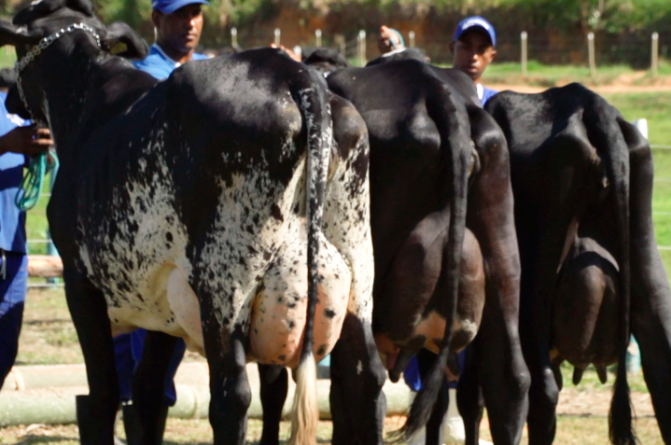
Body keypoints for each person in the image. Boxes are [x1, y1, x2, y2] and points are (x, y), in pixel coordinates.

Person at [113, 0, 209, 440]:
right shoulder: (136, 77)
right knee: (147, 354)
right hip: (153, 238)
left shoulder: (217, 73)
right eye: (177, 15)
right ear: (155, 20)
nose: (189, 24)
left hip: (207, 234)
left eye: (195, 13)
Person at [0, 68, 53, 389]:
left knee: (6, 349)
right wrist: (5, 144)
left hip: (13, 247)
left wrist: (41, 150)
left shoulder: (19, 110)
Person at [449, 16, 498, 106]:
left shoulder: (495, 104)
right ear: (452, 48)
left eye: (482, 50)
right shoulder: (434, 98)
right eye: (466, 47)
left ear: (491, 56)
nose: (474, 56)